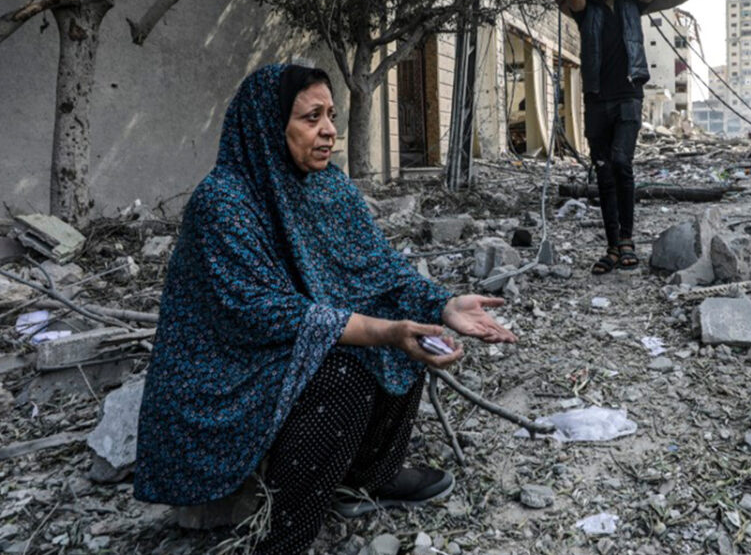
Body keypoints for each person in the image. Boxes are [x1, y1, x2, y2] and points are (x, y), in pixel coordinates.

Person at [133, 64, 517, 555]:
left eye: (331, 115)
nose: (330, 130)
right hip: (228, 370)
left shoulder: (328, 187)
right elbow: (260, 314)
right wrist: (378, 331)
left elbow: (381, 271)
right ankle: (284, 534)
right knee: (344, 369)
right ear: (269, 125)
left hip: (290, 345)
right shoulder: (224, 201)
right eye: (312, 117)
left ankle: (367, 477)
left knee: (408, 340)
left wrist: (442, 304)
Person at [561, 0, 667, 274]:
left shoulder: (633, 2)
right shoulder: (583, 9)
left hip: (628, 96)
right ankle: (611, 247)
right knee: (604, 174)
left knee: (622, 162)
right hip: (595, 100)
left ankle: (627, 240)